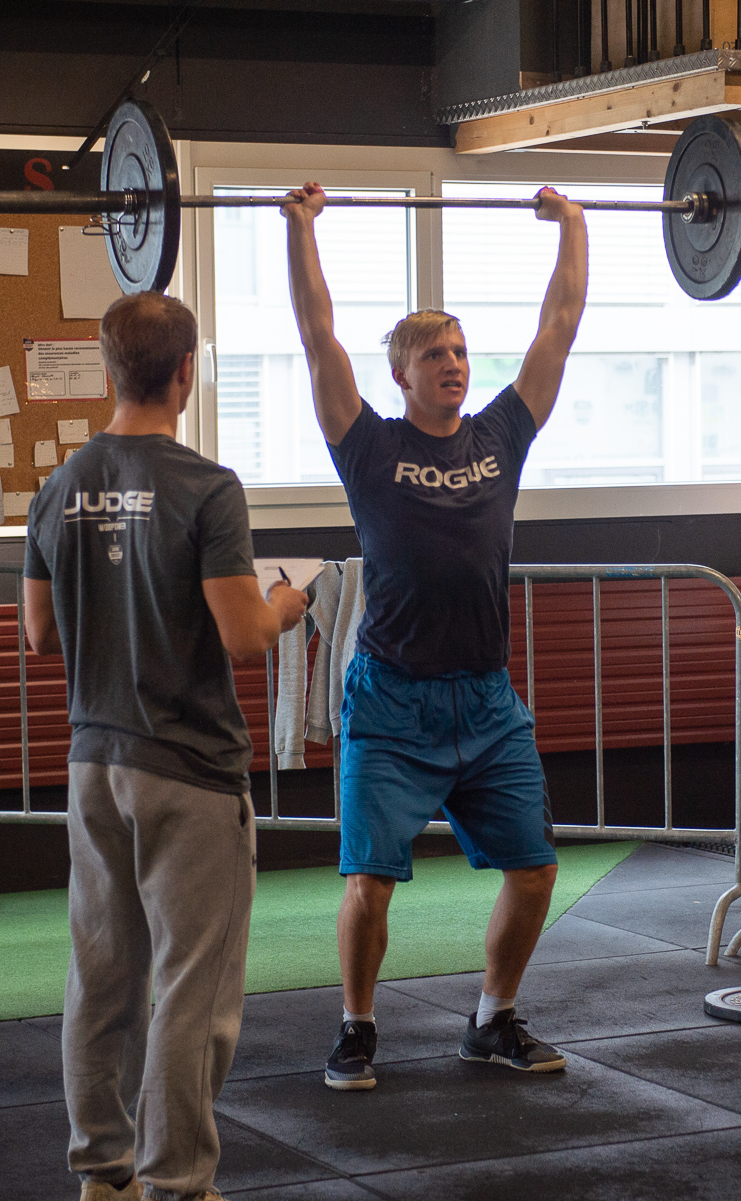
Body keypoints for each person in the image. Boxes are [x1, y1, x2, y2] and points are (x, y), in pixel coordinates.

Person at [281, 182, 587, 1091]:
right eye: (433, 353)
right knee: (370, 883)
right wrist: (302, 231)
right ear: (401, 375)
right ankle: (356, 1027)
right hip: (392, 698)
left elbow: (560, 326)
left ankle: (492, 1020)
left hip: (486, 700)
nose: (454, 363)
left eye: (459, 350)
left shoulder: (500, 435)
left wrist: (573, 226)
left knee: (533, 872)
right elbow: (316, 333)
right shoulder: (367, 447)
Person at [23, 292, 307, 1201]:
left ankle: (102, 1173)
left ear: (109, 371)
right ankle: (177, 1183)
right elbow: (246, 637)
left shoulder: (57, 488)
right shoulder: (205, 487)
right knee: (191, 986)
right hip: (187, 769)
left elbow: (37, 634)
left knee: (101, 978)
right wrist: (290, 602)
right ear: (187, 372)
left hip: (93, 763)